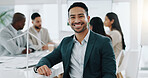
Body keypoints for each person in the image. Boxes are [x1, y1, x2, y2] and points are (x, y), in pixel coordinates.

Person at [35, 2, 116, 78]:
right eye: (73, 17)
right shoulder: (66, 42)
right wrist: (42, 66)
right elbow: (48, 59)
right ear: (69, 21)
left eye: (81, 16)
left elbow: (109, 74)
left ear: (88, 19)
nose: (77, 20)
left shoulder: (103, 42)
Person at [104, 12, 126, 78]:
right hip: (114, 60)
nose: (104, 22)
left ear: (112, 21)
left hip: (114, 61)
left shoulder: (115, 33)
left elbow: (107, 47)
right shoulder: (112, 33)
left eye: (106, 19)